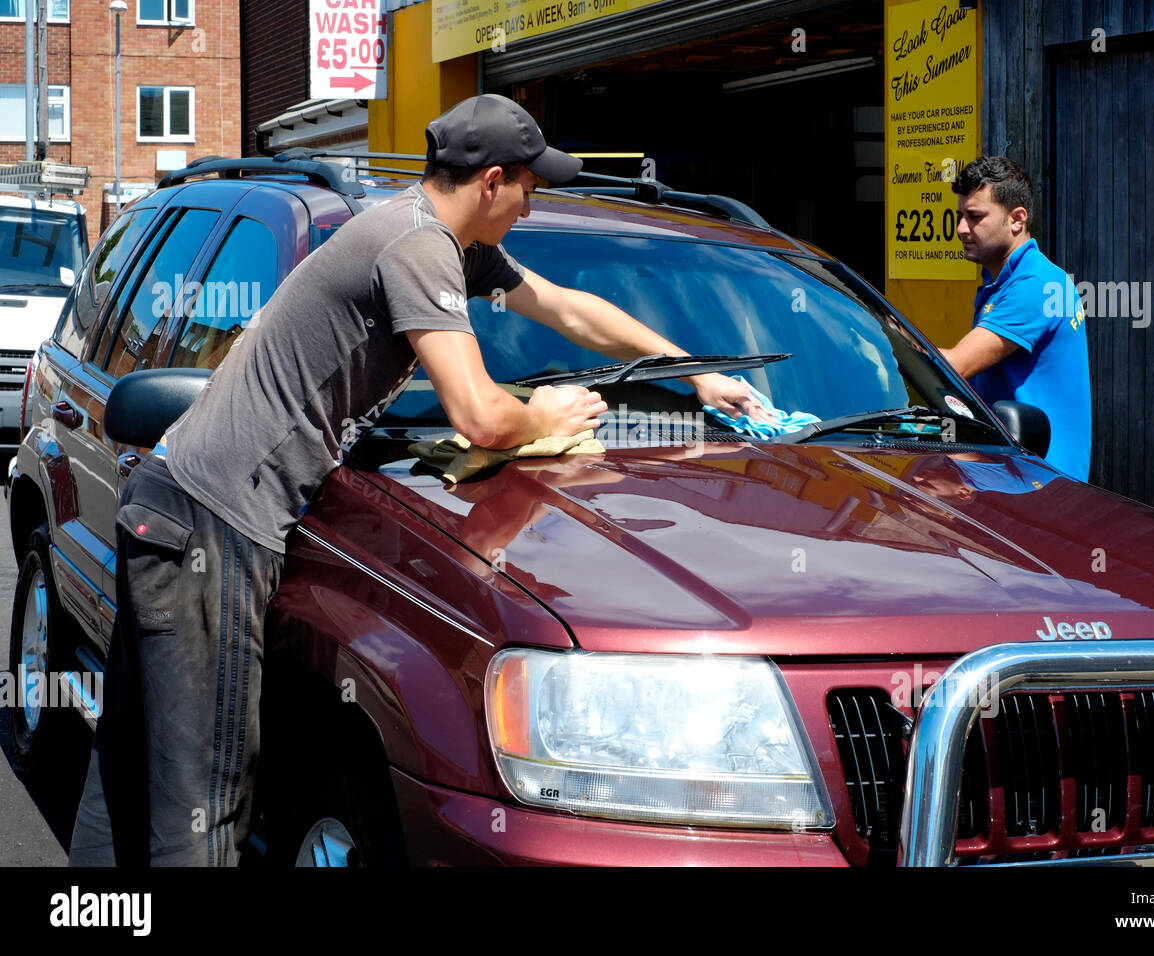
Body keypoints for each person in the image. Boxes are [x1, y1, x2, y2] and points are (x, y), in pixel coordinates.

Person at [68, 93, 771, 866]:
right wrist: (549, 411)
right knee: (202, 801)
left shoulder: (446, 241)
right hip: (214, 526)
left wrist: (690, 372)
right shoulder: (416, 245)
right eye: (531, 190)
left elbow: (568, 310)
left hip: (173, 507)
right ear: (493, 182)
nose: (531, 209)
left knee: (131, 769)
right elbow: (480, 417)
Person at [938, 155, 1091, 481]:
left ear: (1017, 219)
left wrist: (880, 343)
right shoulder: (1006, 282)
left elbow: (954, 367)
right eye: (960, 215)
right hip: (1012, 475)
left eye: (975, 216)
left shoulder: (1036, 285)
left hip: (1040, 487)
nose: (961, 228)